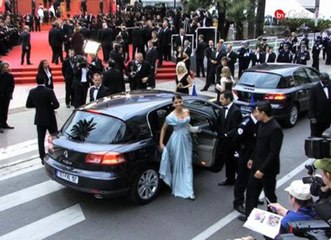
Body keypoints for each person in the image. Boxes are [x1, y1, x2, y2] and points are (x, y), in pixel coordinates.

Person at [239, 101, 284, 221]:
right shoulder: (261, 124)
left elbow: (273, 153)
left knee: (269, 195)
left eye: (257, 112)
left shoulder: (275, 129)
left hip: (268, 169)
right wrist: (252, 158)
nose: (255, 114)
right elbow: (258, 144)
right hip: (256, 164)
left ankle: (272, 218)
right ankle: (249, 216)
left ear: (263, 113)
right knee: (251, 191)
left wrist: (262, 170)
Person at [159, 94, 196, 200]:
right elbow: (163, 129)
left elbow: (188, 125)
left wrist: (194, 130)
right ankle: (184, 189)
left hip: (187, 140)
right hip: (176, 141)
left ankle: (189, 189)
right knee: (177, 164)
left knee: (188, 164)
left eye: (180, 101)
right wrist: (161, 143)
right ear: (173, 104)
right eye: (176, 102)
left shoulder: (187, 111)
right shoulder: (170, 117)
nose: (178, 104)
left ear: (182, 101)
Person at [26, 74, 59, 165]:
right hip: (50, 117)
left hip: (39, 117)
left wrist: (38, 106)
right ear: (44, 81)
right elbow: (56, 105)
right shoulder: (49, 91)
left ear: (36, 81)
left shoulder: (32, 91)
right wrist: (49, 107)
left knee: (40, 139)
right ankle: (55, 154)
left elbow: (28, 105)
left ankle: (42, 157)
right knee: (53, 137)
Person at [232, 107, 259, 214]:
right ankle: (238, 202)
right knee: (242, 179)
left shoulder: (258, 122)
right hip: (245, 155)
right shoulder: (246, 123)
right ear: (255, 112)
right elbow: (236, 139)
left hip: (254, 155)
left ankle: (251, 197)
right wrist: (237, 153)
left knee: (252, 178)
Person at [217, 91, 242, 186]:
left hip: (233, 142)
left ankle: (241, 180)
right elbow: (220, 123)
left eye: (222, 99)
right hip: (225, 141)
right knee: (228, 161)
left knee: (236, 162)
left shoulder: (236, 111)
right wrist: (220, 134)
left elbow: (236, 128)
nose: (220, 101)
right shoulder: (222, 109)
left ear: (228, 99)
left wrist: (227, 135)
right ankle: (230, 178)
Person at [308, 72, 331, 137]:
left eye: (327, 79)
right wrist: (312, 116)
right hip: (317, 118)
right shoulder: (314, 89)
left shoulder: (329, 86)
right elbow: (310, 104)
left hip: (327, 117)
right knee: (315, 136)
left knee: (326, 135)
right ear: (321, 79)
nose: (326, 81)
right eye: (325, 79)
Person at [0, 62, 15, 132]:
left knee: (5, 110)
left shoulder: (10, 76)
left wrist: (10, 93)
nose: (7, 68)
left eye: (7, 67)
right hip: (0, 95)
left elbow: (12, 85)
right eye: (5, 67)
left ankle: (4, 123)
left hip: (6, 96)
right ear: (2, 68)